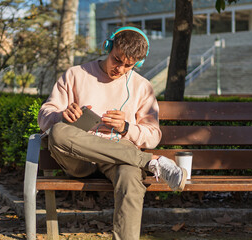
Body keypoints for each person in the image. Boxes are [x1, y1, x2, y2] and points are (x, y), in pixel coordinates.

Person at [38, 26, 187, 240]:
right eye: (117, 60)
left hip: (119, 156)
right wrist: (62, 115)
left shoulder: (142, 87)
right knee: (59, 132)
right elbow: (44, 116)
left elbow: (153, 135)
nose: (120, 69)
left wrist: (127, 128)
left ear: (138, 63)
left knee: (130, 177)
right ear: (108, 47)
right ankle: (150, 162)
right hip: (77, 156)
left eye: (129, 65)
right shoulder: (75, 74)